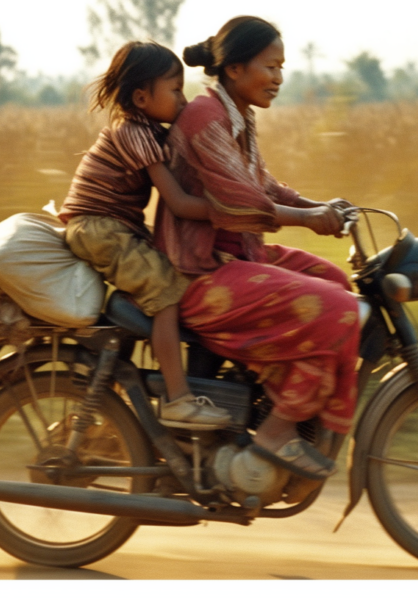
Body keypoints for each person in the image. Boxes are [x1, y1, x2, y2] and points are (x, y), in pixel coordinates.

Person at [154, 16, 360, 494]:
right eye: (271, 67)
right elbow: (242, 201)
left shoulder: (237, 115)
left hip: (239, 259)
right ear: (235, 69)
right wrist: (309, 220)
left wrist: (319, 206)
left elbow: (262, 184)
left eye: (282, 68)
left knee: (338, 284)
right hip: (200, 274)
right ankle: (275, 432)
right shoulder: (206, 117)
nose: (279, 79)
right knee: (340, 312)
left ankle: (275, 400)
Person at [58, 41, 231, 429]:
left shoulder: (148, 127)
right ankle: (178, 399)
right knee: (167, 290)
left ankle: (118, 410)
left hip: (114, 226)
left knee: (162, 277)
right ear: (141, 96)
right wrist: (233, 212)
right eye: (174, 90)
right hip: (99, 228)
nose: (183, 101)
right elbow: (179, 202)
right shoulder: (133, 132)